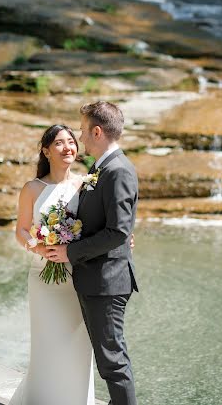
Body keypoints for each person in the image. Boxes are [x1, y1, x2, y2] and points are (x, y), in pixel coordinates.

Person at [47, 101, 139, 405]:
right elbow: (111, 227)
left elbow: (118, 231)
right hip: (97, 279)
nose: (81, 139)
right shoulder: (100, 169)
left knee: (113, 362)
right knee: (108, 360)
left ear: (97, 132)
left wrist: (69, 251)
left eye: (84, 132)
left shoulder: (118, 171)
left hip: (107, 281)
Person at [9, 124, 95, 405]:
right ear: (46, 151)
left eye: (71, 141)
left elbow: (98, 227)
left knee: (79, 345)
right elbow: (21, 230)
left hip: (79, 277)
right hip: (43, 279)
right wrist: (39, 247)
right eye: (59, 143)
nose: (68, 147)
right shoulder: (33, 188)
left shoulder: (85, 184)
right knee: (47, 345)